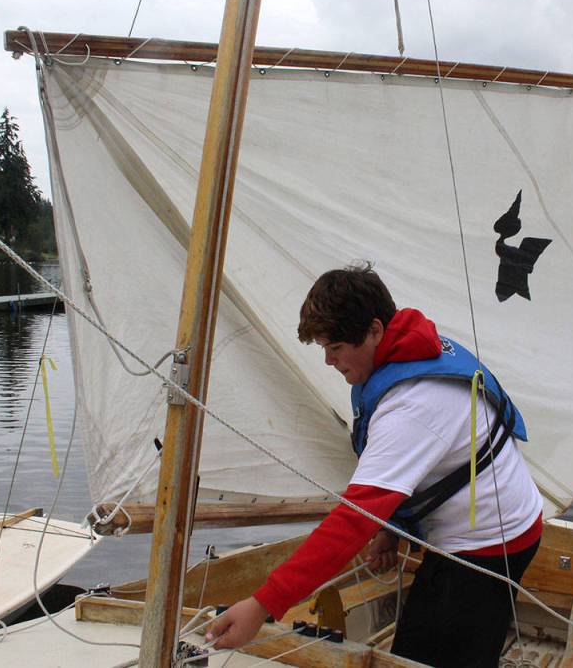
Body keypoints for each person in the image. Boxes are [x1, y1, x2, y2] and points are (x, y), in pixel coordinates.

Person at [207, 265, 544, 667]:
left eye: (335, 347)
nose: (330, 361)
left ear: (375, 330)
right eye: (323, 349)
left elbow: (352, 522)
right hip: (496, 523)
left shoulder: (412, 406)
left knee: (421, 658)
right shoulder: (414, 345)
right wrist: (394, 529)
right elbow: (431, 464)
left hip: (488, 546)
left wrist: (264, 604)